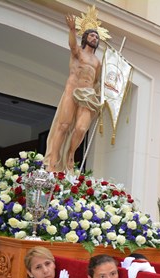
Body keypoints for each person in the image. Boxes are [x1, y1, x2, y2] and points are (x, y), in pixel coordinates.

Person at [43, 14, 103, 172]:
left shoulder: (98, 62)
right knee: (63, 125)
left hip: (87, 94)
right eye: (91, 35)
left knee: (82, 128)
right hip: (72, 89)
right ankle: (54, 158)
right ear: (85, 38)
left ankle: (70, 154)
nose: (95, 38)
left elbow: (96, 81)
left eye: (97, 36)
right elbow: (72, 45)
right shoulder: (78, 52)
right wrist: (71, 29)